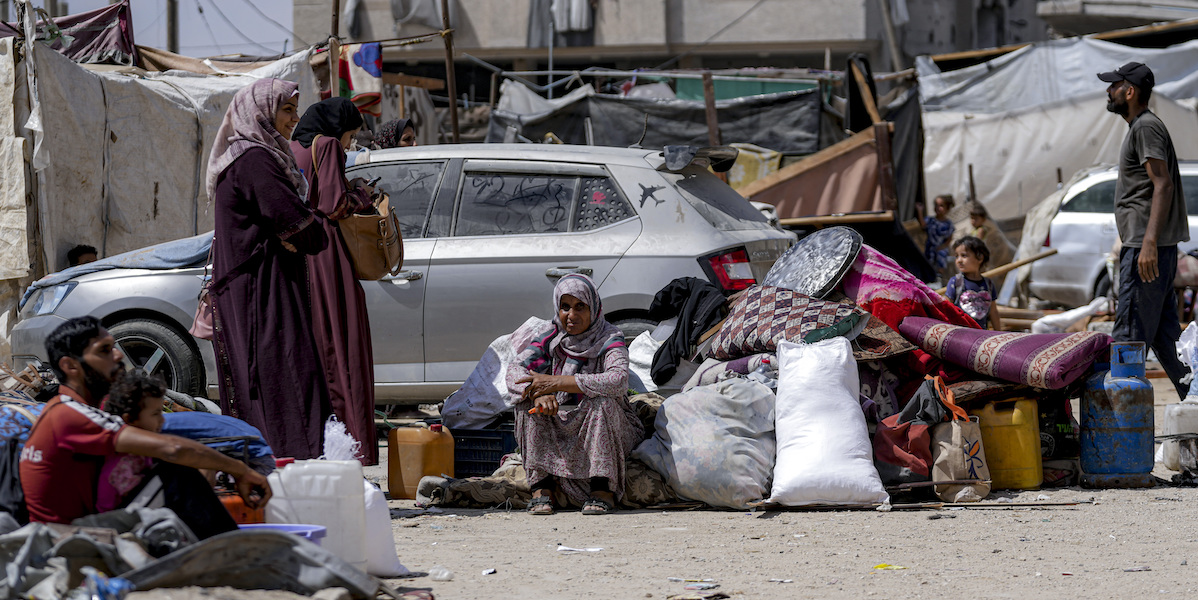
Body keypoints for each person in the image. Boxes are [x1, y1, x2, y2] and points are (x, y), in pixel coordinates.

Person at [20, 317, 269, 534]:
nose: (118, 355)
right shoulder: (68, 414)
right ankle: (231, 550)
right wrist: (240, 469)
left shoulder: (69, 410)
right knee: (175, 470)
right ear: (70, 366)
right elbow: (171, 448)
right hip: (68, 537)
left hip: (83, 524)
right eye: (104, 350)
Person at [207, 78, 332, 460]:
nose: (294, 119)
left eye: (295, 110)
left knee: (271, 375)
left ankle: (274, 462)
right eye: (287, 109)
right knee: (285, 373)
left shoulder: (253, 155)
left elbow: (297, 226)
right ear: (261, 111)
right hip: (261, 289)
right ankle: (296, 461)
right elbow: (305, 228)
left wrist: (302, 229)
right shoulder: (255, 160)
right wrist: (308, 229)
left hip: (260, 284)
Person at [506, 274, 644, 516]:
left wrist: (557, 382)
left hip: (603, 424)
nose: (571, 315)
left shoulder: (610, 337)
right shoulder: (550, 336)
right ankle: (542, 487)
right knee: (525, 405)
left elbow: (618, 380)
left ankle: (602, 488)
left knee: (602, 402)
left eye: (580, 306)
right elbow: (514, 372)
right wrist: (537, 393)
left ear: (594, 307)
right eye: (565, 307)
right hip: (561, 419)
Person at [290, 97, 380, 465]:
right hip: (327, 254)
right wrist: (362, 193)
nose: (348, 144)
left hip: (300, 252)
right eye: (350, 135)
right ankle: (351, 441)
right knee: (343, 343)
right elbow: (333, 205)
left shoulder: (293, 146)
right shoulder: (325, 145)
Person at [1099, 61, 1190, 398]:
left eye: (1113, 85)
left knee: (1130, 334)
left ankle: (1120, 429)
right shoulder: (1141, 126)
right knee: (1166, 336)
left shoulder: (1145, 127)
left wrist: (1148, 242)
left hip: (1144, 248)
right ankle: (1194, 399)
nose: (1108, 91)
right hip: (1148, 246)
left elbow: (1162, 184)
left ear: (1130, 91)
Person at [95, 369, 168, 514]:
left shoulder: (141, 451)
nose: (162, 420)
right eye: (155, 414)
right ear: (129, 419)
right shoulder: (125, 463)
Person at [946, 236, 1002, 331]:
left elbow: (993, 312)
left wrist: (999, 334)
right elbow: (946, 309)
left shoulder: (988, 284)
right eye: (956, 256)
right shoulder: (956, 282)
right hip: (961, 335)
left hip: (982, 335)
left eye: (964, 256)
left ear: (980, 257)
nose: (959, 260)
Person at [923, 194, 955, 278]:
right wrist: (919, 211)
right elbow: (923, 225)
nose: (938, 208)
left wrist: (942, 247)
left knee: (940, 261)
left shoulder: (948, 223)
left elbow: (949, 238)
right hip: (930, 248)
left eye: (941, 206)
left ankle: (940, 278)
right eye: (936, 205)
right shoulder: (930, 220)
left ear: (947, 208)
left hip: (941, 249)